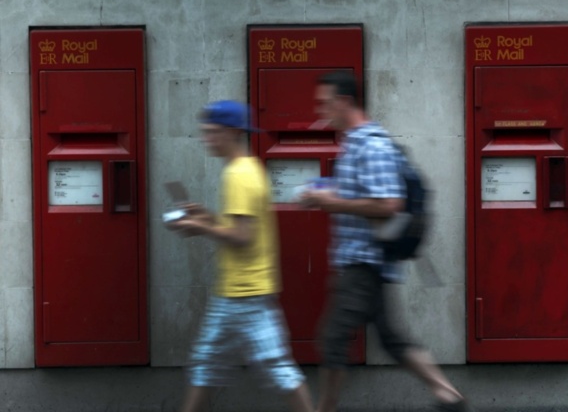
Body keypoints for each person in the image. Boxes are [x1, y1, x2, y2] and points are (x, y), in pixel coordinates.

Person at [299, 71, 475, 412]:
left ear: (345, 101)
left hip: (364, 260)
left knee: (333, 339)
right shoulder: (353, 145)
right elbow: (365, 196)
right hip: (364, 259)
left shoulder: (372, 146)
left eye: (325, 103)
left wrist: (332, 203)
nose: (320, 111)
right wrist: (323, 195)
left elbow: (388, 204)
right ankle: (448, 395)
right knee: (393, 339)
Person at [166, 100, 314, 412]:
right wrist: (206, 217)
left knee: (274, 369)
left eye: (212, 132)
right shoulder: (248, 169)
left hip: (244, 292)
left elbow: (243, 237)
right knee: (210, 365)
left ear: (233, 132)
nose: (206, 138)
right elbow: (240, 227)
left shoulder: (239, 175)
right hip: (243, 290)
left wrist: (199, 227)